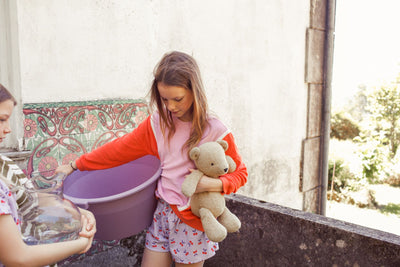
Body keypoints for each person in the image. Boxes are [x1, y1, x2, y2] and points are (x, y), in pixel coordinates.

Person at [56, 51, 248, 266]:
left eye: (178, 99)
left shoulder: (216, 130)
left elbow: (241, 174)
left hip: (193, 220)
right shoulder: (157, 123)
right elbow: (118, 150)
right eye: (164, 99)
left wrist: (212, 183)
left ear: (195, 91)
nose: (171, 107)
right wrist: (75, 165)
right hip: (162, 213)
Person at [0, 83, 97, 267]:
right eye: (1, 120)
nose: (8, 129)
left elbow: (30, 203)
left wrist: (82, 214)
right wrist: (81, 244)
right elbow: (17, 257)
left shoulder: (4, 165)